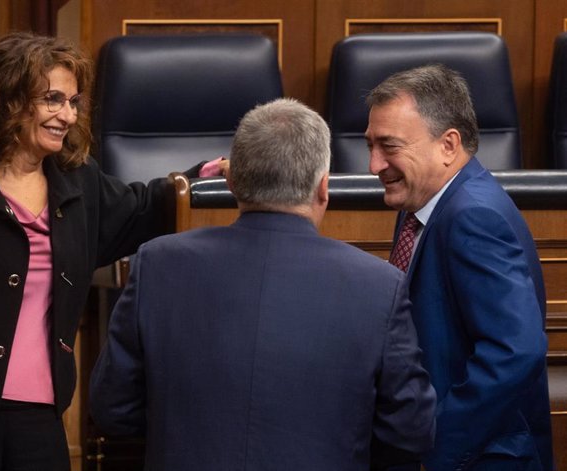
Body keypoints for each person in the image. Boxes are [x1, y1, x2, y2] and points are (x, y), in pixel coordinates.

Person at [0, 31, 222, 470]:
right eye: (53, 99)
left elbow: (147, 207)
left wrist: (209, 179)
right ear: (10, 101)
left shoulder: (81, 184)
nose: (67, 115)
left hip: (39, 419)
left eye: (74, 102)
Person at [89, 98, 437, 471]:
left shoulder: (157, 265)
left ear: (232, 182)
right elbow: (411, 429)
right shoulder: (379, 286)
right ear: (324, 188)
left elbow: (113, 409)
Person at [365, 64, 554, 471]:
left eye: (389, 146)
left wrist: (438, 443)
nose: (374, 165)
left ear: (448, 145)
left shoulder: (473, 216)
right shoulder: (422, 202)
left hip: (482, 458)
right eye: (370, 146)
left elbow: (515, 351)